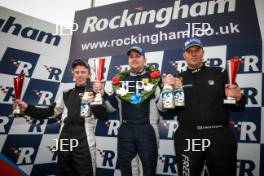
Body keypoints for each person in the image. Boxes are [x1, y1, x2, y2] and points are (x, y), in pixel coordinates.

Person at [163, 38, 246, 176]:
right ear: (184, 55)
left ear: (203, 52)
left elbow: (238, 106)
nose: (193, 54)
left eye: (197, 51)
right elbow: (169, 110)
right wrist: (168, 91)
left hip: (218, 135)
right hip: (189, 136)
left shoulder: (219, 73)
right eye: (189, 51)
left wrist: (238, 98)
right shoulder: (177, 79)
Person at [13, 59, 107, 176]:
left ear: (89, 74)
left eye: (83, 72)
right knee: (63, 173)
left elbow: (103, 116)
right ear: (72, 73)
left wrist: (95, 101)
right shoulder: (66, 93)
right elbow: (49, 112)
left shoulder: (95, 93)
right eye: (77, 72)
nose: (80, 75)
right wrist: (27, 108)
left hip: (84, 142)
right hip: (65, 140)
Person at [94, 46, 162, 176]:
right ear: (128, 60)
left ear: (145, 59)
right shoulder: (121, 81)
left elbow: (163, 107)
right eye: (131, 57)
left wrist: (169, 90)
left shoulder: (155, 79)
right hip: (126, 130)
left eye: (138, 56)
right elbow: (110, 107)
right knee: (127, 169)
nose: (134, 59)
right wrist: (102, 94)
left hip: (148, 130)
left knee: (148, 168)